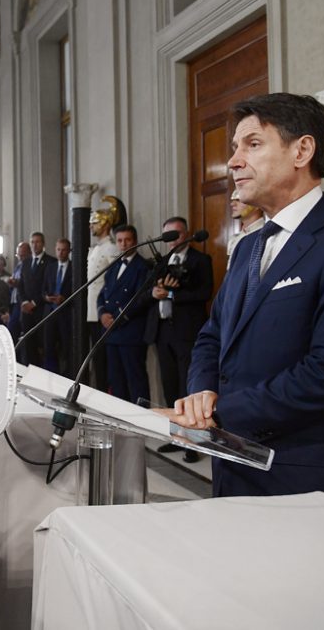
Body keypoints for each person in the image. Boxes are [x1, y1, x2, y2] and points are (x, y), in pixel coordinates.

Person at [162, 93, 324, 512]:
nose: (234, 160)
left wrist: (221, 410)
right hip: (234, 467)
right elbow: (213, 335)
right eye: (234, 148)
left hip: (309, 479)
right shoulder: (249, 246)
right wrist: (201, 391)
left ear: (302, 150)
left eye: (252, 144)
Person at [142, 216, 212, 462]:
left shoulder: (201, 260)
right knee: (169, 385)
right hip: (163, 332)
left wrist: (171, 294)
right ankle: (174, 437)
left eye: (176, 235)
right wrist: (155, 292)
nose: (171, 241)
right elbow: (149, 290)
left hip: (187, 332)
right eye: (167, 236)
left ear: (187, 234)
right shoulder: (161, 262)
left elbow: (205, 292)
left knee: (187, 388)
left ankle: (192, 443)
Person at [97, 225, 151, 404]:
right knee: (116, 380)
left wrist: (118, 317)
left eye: (127, 240)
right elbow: (102, 294)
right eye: (120, 240)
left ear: (135, 241)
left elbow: (141, 299)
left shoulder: (142, 267)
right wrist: (102, 313)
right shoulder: (113, 266)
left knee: (136, 381)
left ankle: (142, 422)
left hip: (131, 333)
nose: (123, 244)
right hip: (111, 333)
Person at [87, 196, 125, 391]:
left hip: (104, 311)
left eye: (94, 223)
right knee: (97, 359)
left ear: (104, 224)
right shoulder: (98, 248)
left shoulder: (111, 248)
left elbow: (114, 280)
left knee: (104, 361)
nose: (91, 227)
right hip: (93, 310)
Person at [17, 231, 55, 366]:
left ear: (43, 244)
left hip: (42, 309)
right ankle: (29, 370)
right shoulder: (26, 262)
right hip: (26, 311)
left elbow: (49, 287)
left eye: (38, 242)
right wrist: (25, 302)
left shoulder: (51, 262)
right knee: (28, 343)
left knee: (43, 343)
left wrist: (34, 303)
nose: (35, 245)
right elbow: (20, 285)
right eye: (32, 242)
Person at [42, 238, 73, 376]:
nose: (61, 253)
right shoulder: (51, 267)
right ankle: (51, 375)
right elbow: (43, 289)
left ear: (69, 251)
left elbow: (77, 290)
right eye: (58, 249)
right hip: (50, 312)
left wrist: (65, 298)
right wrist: (47, 297)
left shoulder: (74, 267)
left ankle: (66, 376)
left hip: (66, 314)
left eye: (64, 250)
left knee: (67, 348)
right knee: (49, 347)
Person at [226, 186, 265, 268]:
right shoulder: (234, 239)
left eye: (239, 200)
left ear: (257, 204)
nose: (232, 204)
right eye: (233, 200)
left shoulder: (266, 236)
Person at [3, 241, 30, 344]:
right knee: (11, 331)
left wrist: (16, 283)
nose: (21, 258)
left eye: (23, 255)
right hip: (14, 301)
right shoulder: (18, 266)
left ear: (29, 254)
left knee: (16, 330)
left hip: (23, 302)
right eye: (19, 255)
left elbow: (26, 284)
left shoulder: (29, 266)